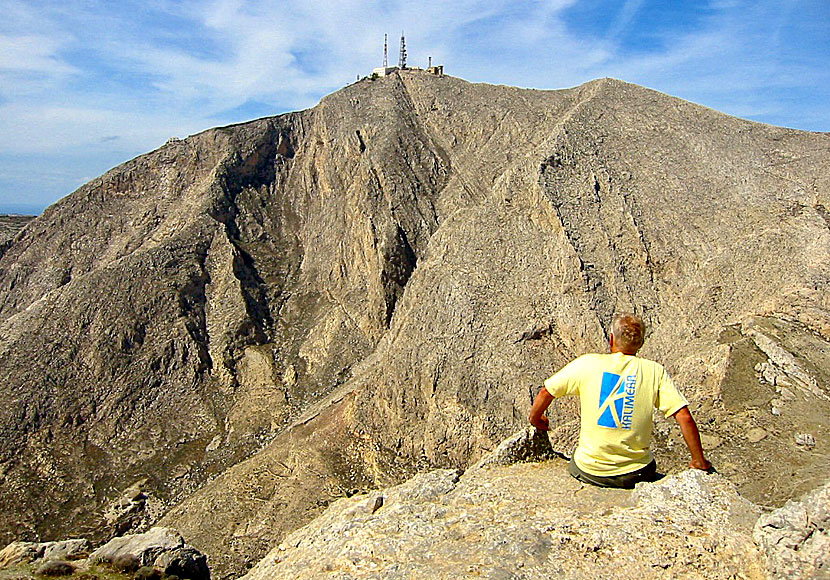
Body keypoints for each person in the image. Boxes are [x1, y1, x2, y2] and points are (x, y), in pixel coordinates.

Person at [528, 313, 712, 489]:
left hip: (589, 471)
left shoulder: (587, 363)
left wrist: (536, 419)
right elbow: (684, 417)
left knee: (580, 457)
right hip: (637, 474)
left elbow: (546, 391)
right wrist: (698, 461)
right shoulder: (655, 371)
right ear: (641, 343)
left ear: (611, 339)